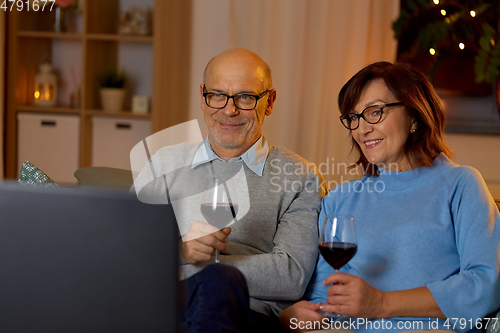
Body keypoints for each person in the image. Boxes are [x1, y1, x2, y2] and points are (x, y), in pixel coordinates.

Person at [279, 61, 500, 333]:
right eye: (354, 117)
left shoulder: (461, 185)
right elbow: (324, 299)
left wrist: (382, 303)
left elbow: (485, 286)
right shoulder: (340, 199)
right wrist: (291, 315)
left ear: (415, 116)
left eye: (375, 112)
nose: (361, 129)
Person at [132, 48, 328, 331]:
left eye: (246, 97)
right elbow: (128, 254)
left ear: (269, 101)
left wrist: (199, 270)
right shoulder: (164, 162)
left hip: (245, 317)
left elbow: (290, 276)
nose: (228, 110)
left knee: (218, 282)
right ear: (203, 97)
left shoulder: (301, 177)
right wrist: (182, 251)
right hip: (163, 308)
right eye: (217, 95)